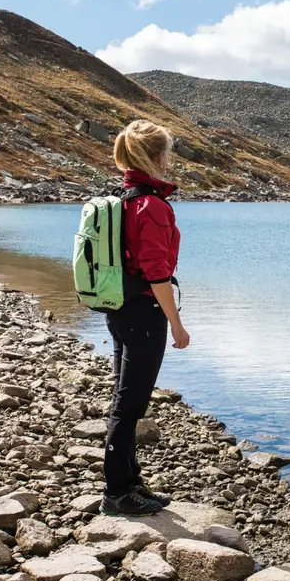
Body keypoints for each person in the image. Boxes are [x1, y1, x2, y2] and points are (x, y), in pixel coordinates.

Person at [101, 119, 191, 516]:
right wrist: (176, 322)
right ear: (157, 156)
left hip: (119, 307)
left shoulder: (123, 199)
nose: (169, 159)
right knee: (130, 403)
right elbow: (156, 272)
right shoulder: (150, 205)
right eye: (167, 152)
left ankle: (130, 481)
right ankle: (118, 492)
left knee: (125, 397)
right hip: (143, 311)